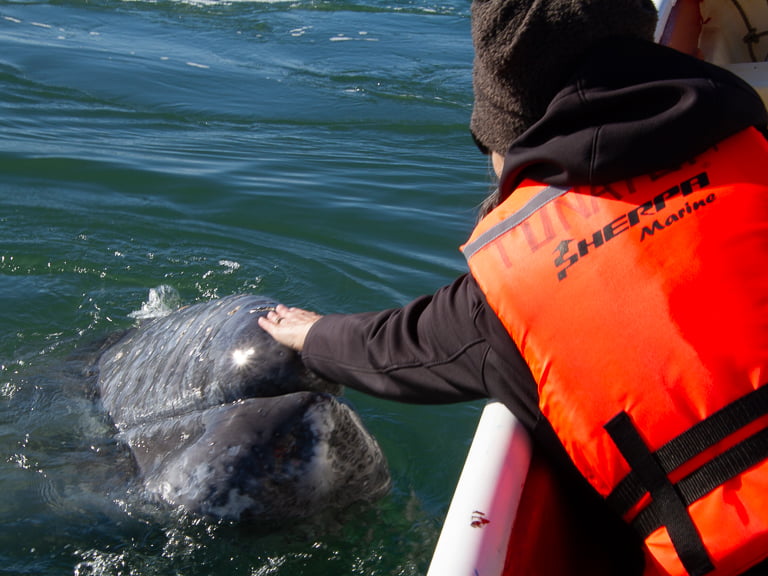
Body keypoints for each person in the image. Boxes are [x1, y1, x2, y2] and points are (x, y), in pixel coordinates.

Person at [259, 1, 768, 574]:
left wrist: (310, 334)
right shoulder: (755, 153)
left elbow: (392, 348)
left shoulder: (512, 284)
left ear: (507, 130)